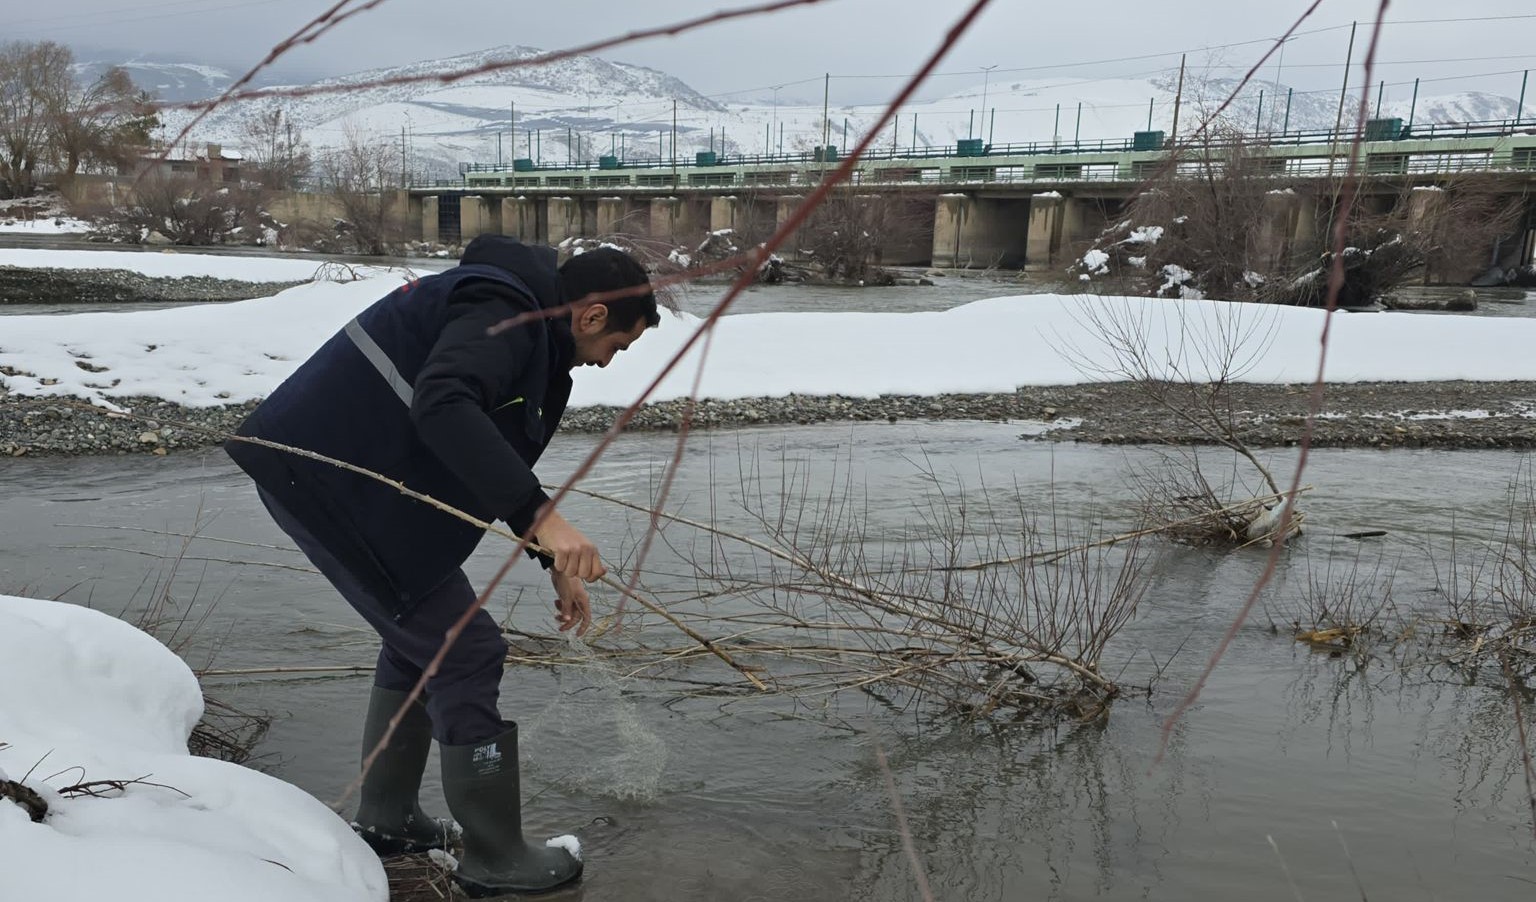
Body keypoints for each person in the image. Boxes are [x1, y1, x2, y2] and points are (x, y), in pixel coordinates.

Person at [226, 235, 658, 897]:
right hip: (327, 484)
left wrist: (552, 558)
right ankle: (496, 857)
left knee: (421, 641)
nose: (605, 363)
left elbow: (493, 451)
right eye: (615, 347)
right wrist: (545, 521)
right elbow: (444, 403)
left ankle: (389, 820)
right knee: (464, 648)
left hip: (347, 485)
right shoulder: (504, 311)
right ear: (593, 316)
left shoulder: (527, 330)